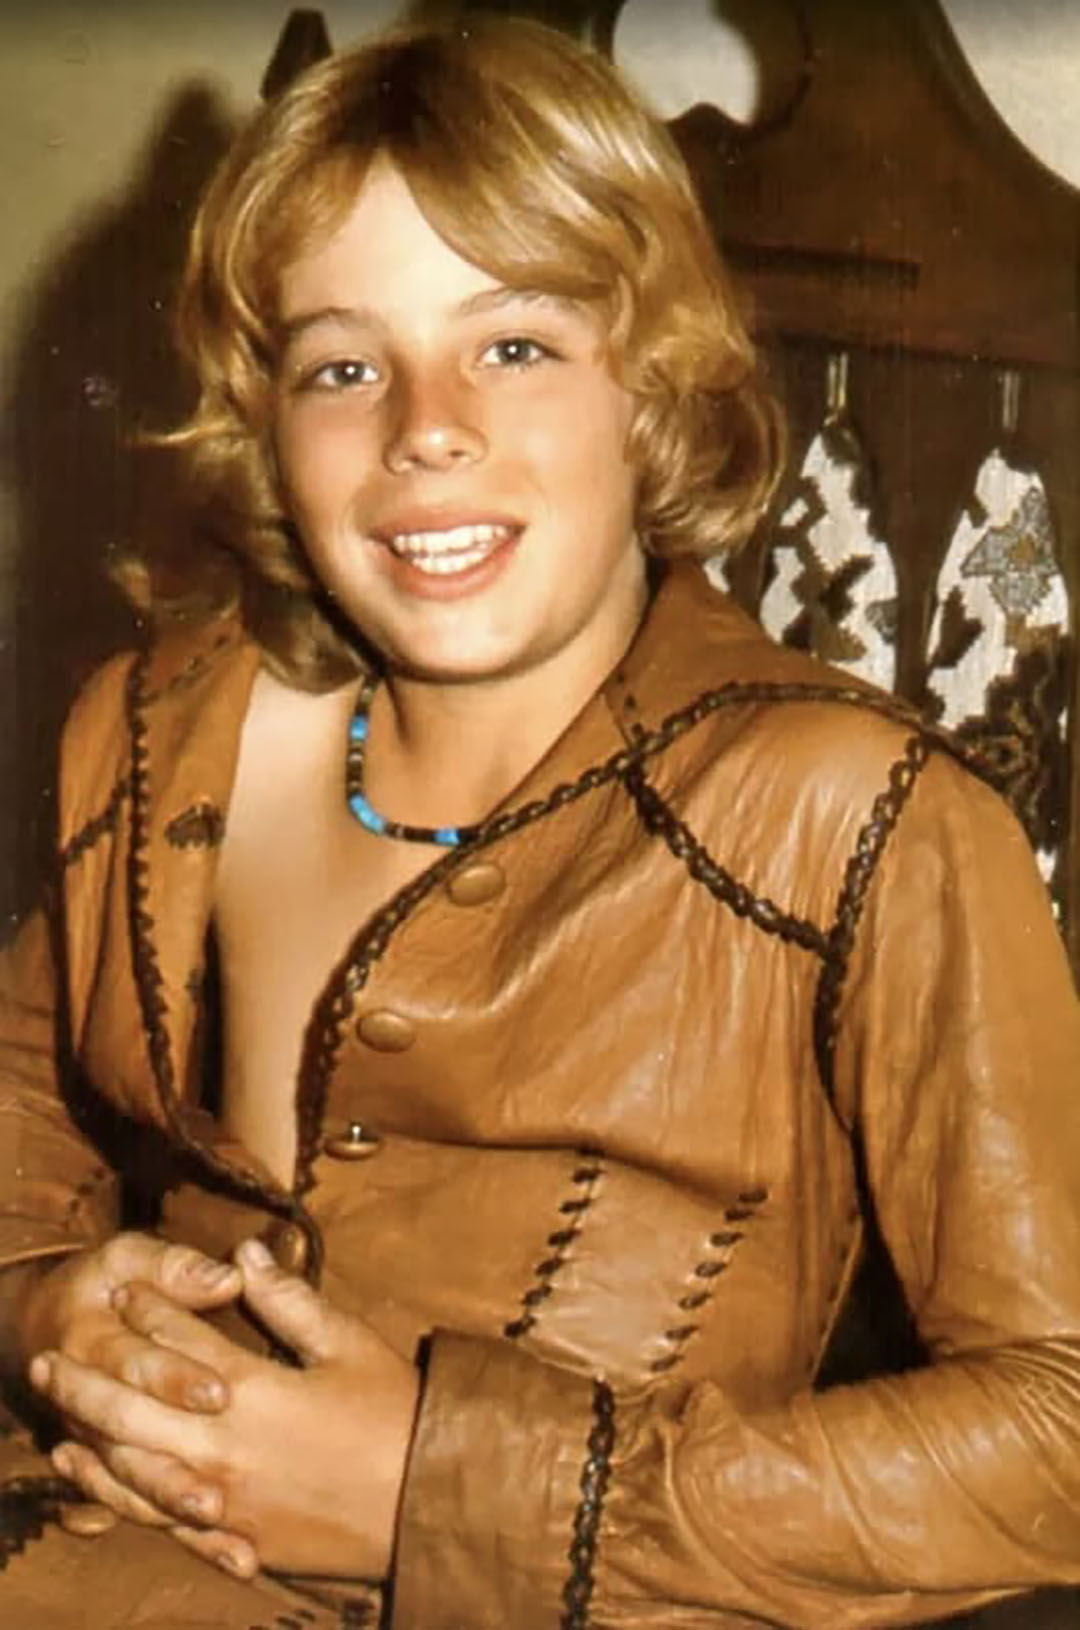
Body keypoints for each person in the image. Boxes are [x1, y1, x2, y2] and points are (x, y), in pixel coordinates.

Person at [1, 15, 1079, 1630]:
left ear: (651, 388)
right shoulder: (169, 727)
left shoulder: (860, 817)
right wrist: (42, 1309)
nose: (424, 426)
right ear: (265, 422)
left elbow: (1060, 1430)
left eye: (513, 346)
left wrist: (435, 1486)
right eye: (342, 365)